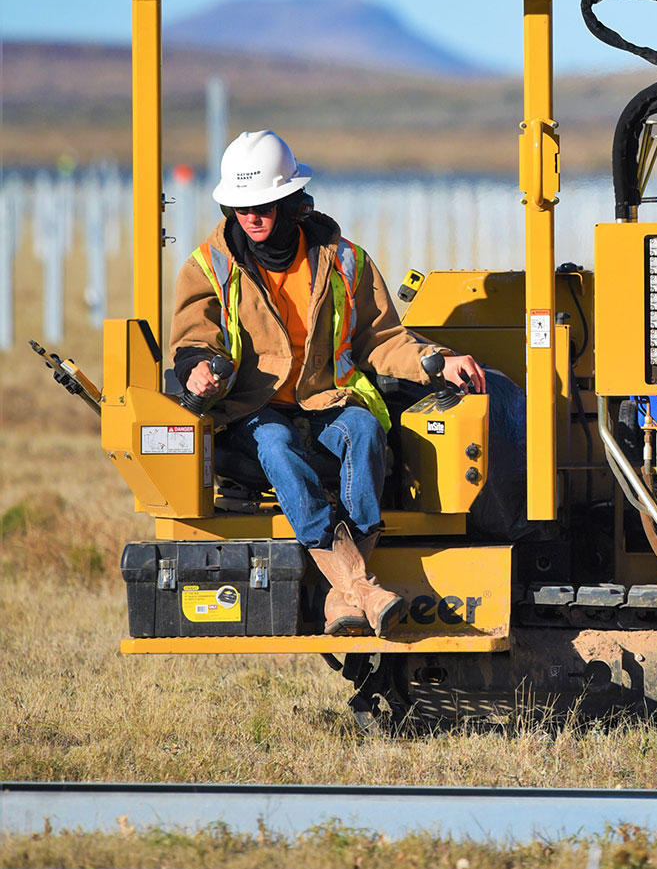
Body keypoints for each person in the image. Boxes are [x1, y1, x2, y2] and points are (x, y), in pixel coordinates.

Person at [171, 129, 509, 637]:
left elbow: (382, 338)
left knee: (366, 431)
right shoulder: (208, 266)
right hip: (250, 409)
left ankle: (342, 595)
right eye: (242, 207)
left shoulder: (346, 261)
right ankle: (360, 586)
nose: (252, 217)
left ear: (292, 203)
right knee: (277, 444)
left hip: (326, 398)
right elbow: (193, 341)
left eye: (263, 204)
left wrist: (436, 361)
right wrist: (198, 368)